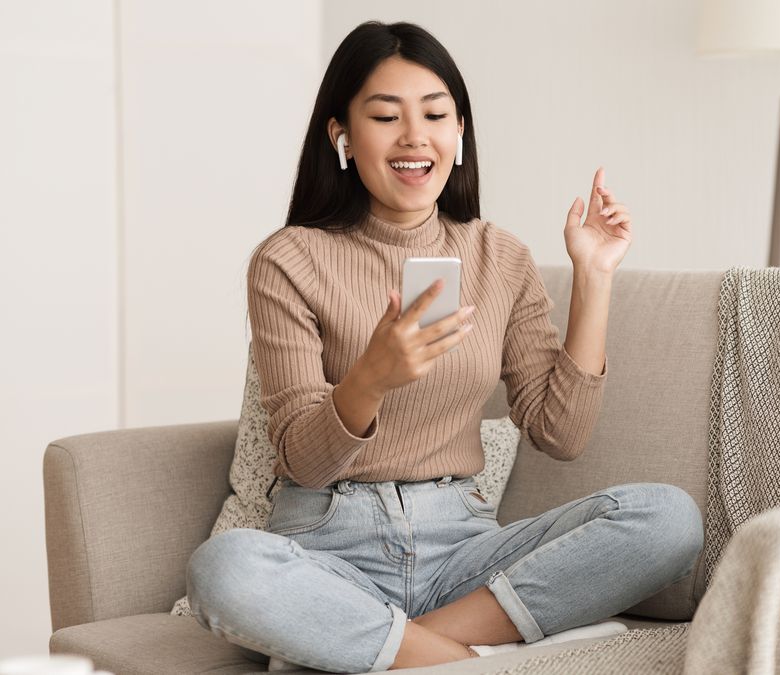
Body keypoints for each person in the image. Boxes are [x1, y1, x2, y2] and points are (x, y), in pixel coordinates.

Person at [185, 20, 704, 673]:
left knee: (668, 518)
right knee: (224, 568)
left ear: (459, 133)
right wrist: (369, 378)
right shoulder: (289, 259)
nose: (414, 136)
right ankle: (468, 659)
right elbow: (302, 460)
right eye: (385, 115)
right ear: (340, 134)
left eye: (435, 113)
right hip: (330, 545)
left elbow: (561, 432)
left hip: (461, 547)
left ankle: (379, 647)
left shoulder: (500, 256)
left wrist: (594, 277)